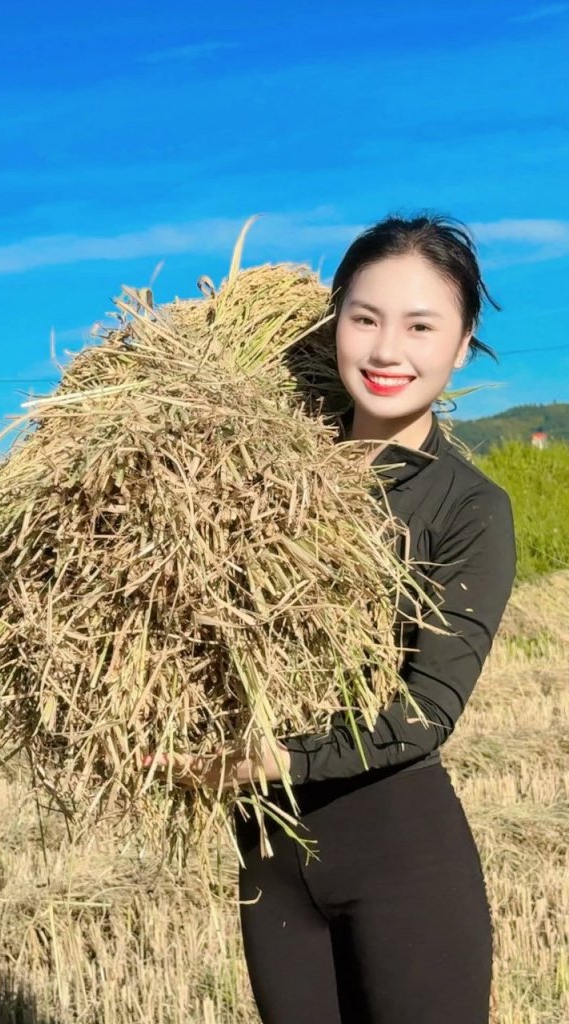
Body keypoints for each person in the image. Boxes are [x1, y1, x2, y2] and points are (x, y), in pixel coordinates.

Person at [147, 214, 516, 1024]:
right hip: (269, 861)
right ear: (334, 321)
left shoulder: (466, 508)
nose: (387, 351)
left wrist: (272, 759)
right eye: (365, 318)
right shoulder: (250, 477)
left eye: (421, 327)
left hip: (403, 862)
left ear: (462, 346)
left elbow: (426, 713)